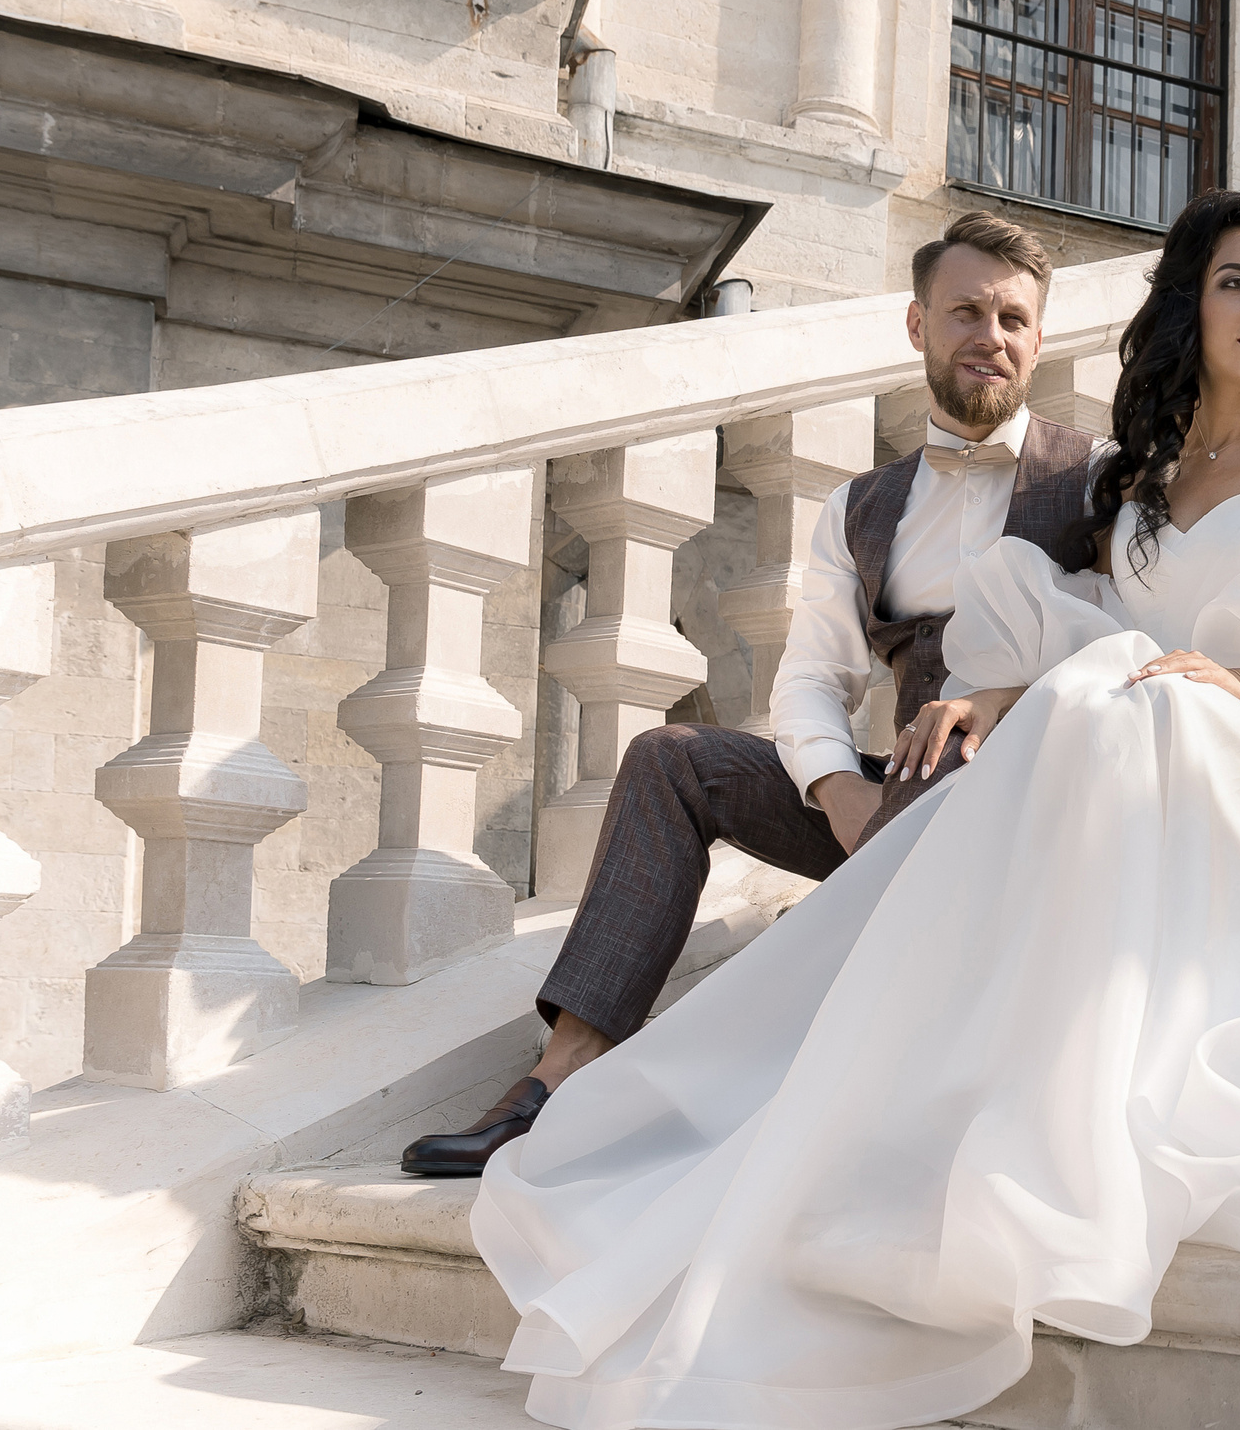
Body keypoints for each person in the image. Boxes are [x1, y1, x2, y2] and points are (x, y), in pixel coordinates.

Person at [469, 190, 1240, 1430]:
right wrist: (923, 736)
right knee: (705, 751)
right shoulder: (1124, 484)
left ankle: (1043, 1113)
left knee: (1133, 707)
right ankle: (565, 1067)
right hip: (995, 764)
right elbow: (1058, 641)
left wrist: (1228, 681)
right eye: (1239, 282)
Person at [400, 210, 1096, 1176]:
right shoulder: (863, 504)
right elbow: (812, 675)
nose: (992, 337)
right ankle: (555, 1083)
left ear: (1038, 335)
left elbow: (1131, 652)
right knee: (671, 758)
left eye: (1014, 318)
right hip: (891, 804)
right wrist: (837, 792)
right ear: (917, 325)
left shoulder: (1099, 481)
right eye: (966, 311)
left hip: (1029, 802)